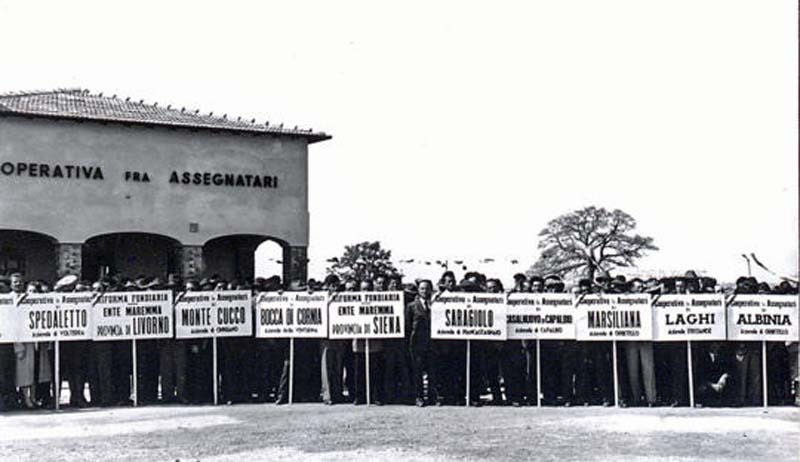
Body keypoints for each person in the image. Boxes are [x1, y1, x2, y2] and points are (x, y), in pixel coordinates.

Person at [621, 278, 656, 407]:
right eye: (637, 288)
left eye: (642, 287)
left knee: (648, 369)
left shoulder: (649, 299)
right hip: (631, 338)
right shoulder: (625, 300)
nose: (640, 290)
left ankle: (651, 398)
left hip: (647, 337)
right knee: (632, 370)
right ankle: (636, 397)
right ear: (631, 289)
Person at [407, 279, 440, 406]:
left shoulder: (437, 305)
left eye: (427, 288)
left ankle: (433, 396)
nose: (424, 291)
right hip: (417, 344)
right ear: (418, 290)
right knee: (417, 372)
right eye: (422, 288)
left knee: (433, 371)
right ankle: (419, 397)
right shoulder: (411, 306)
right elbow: (408, 326)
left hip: (432, 344)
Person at [694, 341, 731, 407]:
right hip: (708, 384)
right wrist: (712, 385)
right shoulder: (702, 357)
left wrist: (723, 378)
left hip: (720, 383)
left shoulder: (723, 356)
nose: (715, 345)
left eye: (717, 343)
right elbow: (701, 374)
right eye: (713, 343)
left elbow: (727, 369)